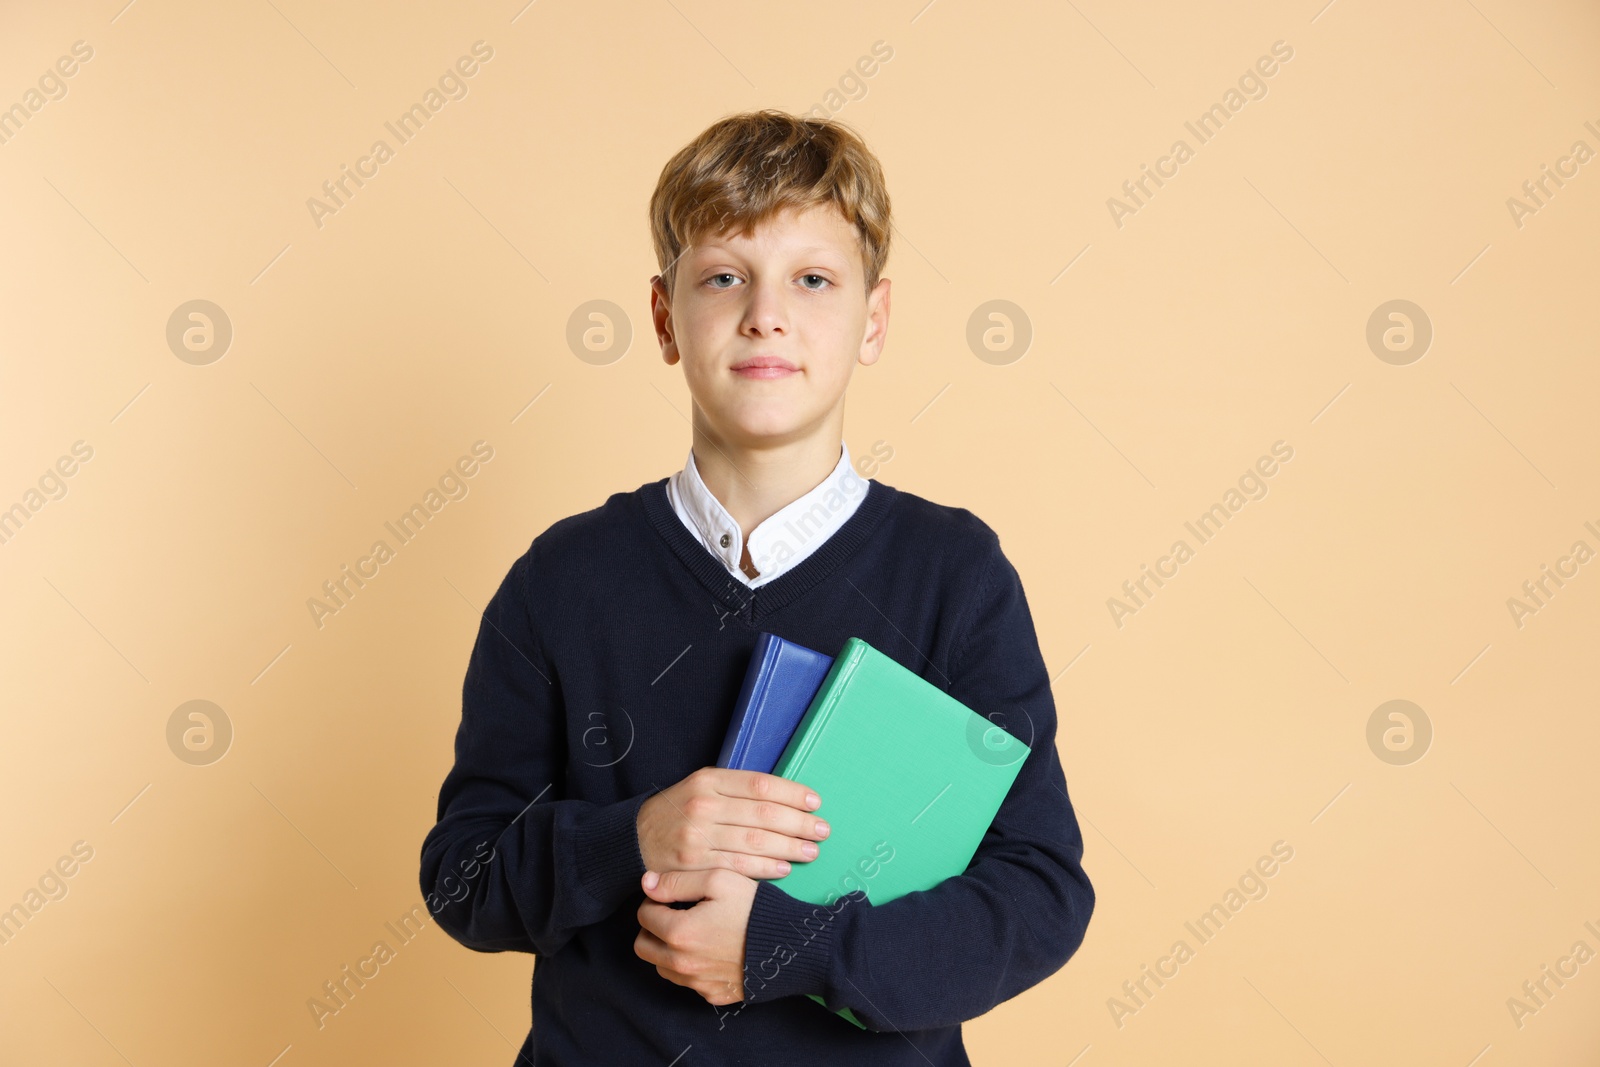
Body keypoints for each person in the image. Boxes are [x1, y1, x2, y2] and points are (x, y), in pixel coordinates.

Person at [418, 108, 1094, 1065]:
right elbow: (462, 881)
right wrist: (632, 838)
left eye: (813, 279)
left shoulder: (955, 574)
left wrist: (788, 947)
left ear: (875, 320)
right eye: (723, 276)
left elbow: (1039, 893)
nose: (764, 313)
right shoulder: (559, 580)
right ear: (664, 318)